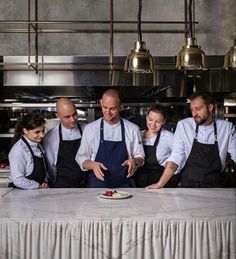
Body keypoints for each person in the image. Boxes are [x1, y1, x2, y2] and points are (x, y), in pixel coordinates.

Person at [147, 91, 236, 189]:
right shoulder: (184, 126)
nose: (194, 114)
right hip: (188, 185)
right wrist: (160, 184)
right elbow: (176, 156)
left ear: (210, 107)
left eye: (197, 109)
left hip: (216, 186)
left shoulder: (226, 128)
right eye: (192, 110)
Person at [76, 88, 145, 188]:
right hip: (97, 185)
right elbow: (81, 157)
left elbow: (140, 156)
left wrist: (135, 161)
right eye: (104, 107)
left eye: (112, 108)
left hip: (124, 185)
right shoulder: (90, 129)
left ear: (121, 107)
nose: (107, 112)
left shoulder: (133, 129)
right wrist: (92, 165)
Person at [43, 97, 86, 188]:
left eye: (75, 114)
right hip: (62, 186)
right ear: (58, 116)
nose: (73, 119)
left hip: (86, 184)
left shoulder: (87, 130)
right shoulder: (50, 137)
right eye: (67, 117)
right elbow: (51, 166)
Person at [133, 105, 176, 187]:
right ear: (146, 118)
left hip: (161, 184)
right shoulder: (138, 135)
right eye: (150, 119)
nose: (153, 124)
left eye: (158, 122)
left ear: (164, 121)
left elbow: (178, 159)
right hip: (139, 183)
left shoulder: (169, 137)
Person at [8, 112, 49, 189]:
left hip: (35, 192)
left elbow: (43, 170)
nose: (42, 135)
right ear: (25, 131)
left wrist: (44, 182)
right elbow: (18, 180)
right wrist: (38, 186)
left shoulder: (38, 144)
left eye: (43, 130)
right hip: (19, 194)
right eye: (37, 132)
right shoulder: (18, 150)